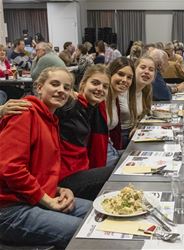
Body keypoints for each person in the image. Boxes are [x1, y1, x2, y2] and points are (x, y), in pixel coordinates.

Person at [0, 67, 91, 248]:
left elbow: (37, 170)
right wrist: (47, 199)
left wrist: (57, 189)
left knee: (97, 213)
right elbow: (10, 168)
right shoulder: (25, 113)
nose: (61, 90)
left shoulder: (50, 119)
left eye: (66, 87)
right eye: (55, 84)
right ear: (39, 87)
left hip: (31, 199)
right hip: (10, 209)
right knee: (87, 234)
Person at [57, 64, 112, 200]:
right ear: (83, 84)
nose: (100, 89)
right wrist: (3, 109)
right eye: (95, 83)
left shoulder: (94, 108)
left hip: (81, 170)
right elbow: (41, 104)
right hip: (64, 179)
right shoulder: (70, 104)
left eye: (105, 86)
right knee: (117, 172)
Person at [119, 55, 155, 147]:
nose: (147, 72)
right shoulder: (122, 88)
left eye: (151, 70)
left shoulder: (146, 90)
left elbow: (141, 114)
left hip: (133, 135)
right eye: (143, 67)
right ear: (134, 70)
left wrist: (137, 125)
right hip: (118, 138)